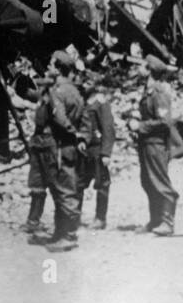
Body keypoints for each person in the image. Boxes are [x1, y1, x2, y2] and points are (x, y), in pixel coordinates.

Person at [27, 51, 86, 252]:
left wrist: (73, 133)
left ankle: (69, 235)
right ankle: (61, 233)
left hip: (58, 145)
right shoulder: (72, 90)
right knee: (61, 189)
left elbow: (60, 119)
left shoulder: (59, 91)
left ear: (59, 68)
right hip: (61, 144)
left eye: (51, 65)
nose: (48, 68)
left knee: (63, 190)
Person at [135, 55, 180, 236]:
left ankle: (167, 223)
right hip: (146, 143)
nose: (137, 69)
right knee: (148, 182)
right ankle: (155, 220)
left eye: (141, 66)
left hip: (156, 144)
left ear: (149, 70)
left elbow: (164, 121)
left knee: (160, 182)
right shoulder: (148, 92)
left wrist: (140, 126)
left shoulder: (159, 93)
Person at [78, 73, 116, 230]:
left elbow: (108, 128)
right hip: (85, 148)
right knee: (79, 183)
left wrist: (106, 153)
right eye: (84, 82)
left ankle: (100, 218)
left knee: (102, 184)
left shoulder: (100, 102)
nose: (85, 85)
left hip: (98, 148)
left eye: (89, 82)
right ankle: (75, 215)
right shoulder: (83, 100)